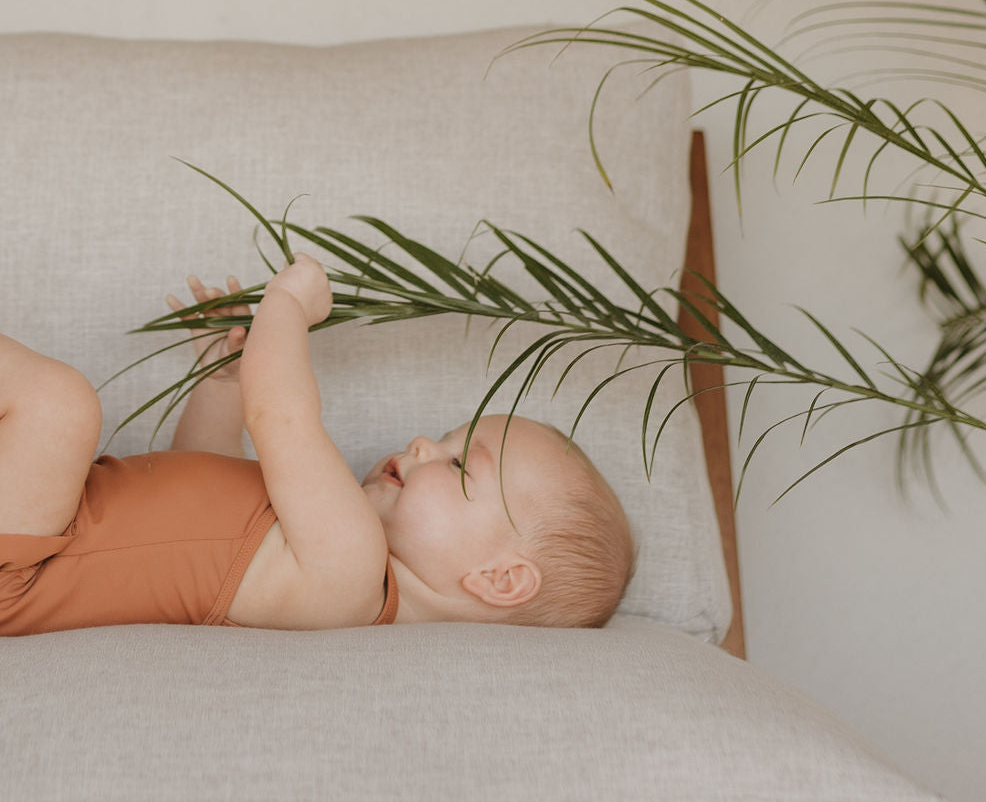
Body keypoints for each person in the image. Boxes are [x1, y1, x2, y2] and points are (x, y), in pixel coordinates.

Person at [0, 253, 636, 637]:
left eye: (461, 463)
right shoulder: (313, 555)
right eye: (445, 439)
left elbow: (282, 416)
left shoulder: (352, 572)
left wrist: (286, 307)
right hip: (41, 530)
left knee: (59, 406)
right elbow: (199, 474)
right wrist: (221, 381)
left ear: (499, 578)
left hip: (26, 571)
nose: (423, 443)